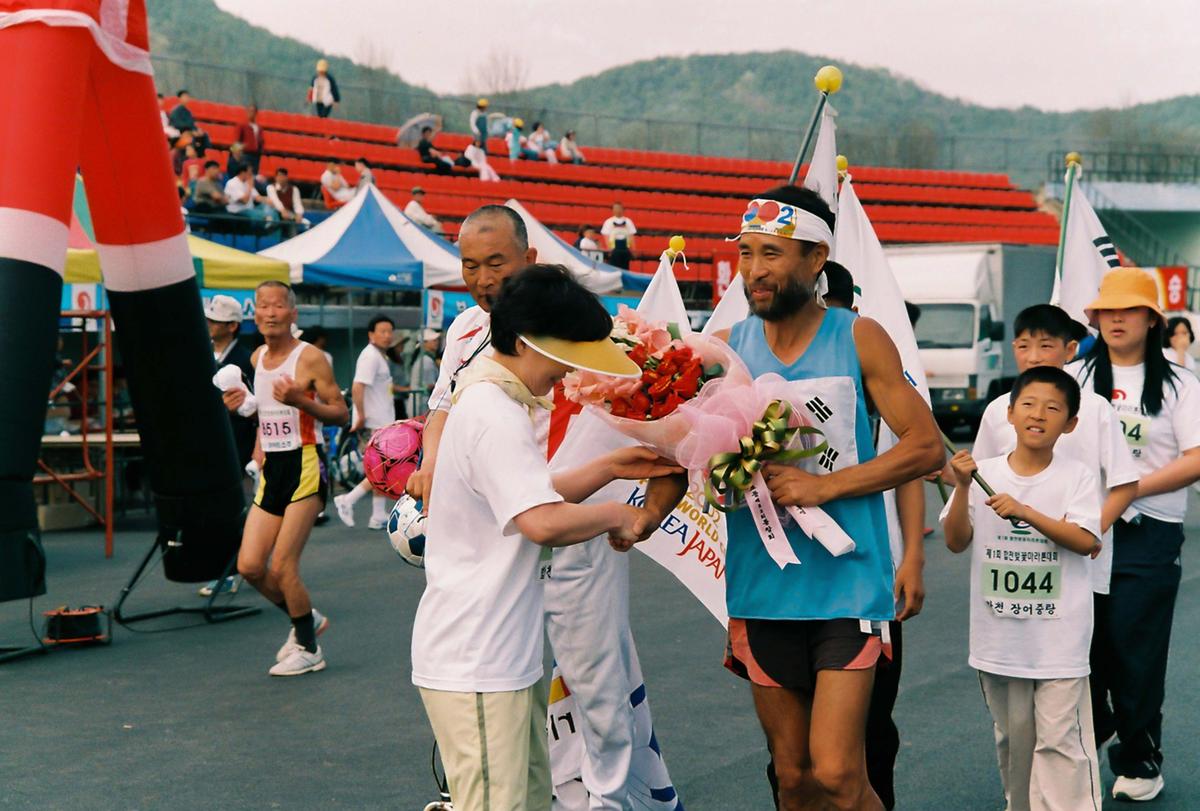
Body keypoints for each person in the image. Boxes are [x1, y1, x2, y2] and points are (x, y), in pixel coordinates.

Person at [407, 206, 685, 809]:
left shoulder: (495, 398)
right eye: (566, 359)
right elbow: (538, 519)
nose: (569, 376)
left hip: (500, 650)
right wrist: (621, 514)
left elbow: (529, 492)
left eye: (496, 263)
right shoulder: (495, 411)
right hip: (480, 655)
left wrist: (609, 467)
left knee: (532, 787)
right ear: (534, 342)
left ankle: (608, 797)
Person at [694, 185, 943, 811]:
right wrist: (657, 505)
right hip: (761, 588)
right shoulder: (724, 348)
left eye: (772, 253)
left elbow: (924, 448)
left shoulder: (860, 337)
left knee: (837, 774)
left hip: (847, 587)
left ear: (815, 258)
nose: (754, 270)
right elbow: (688, 447)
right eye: (746, 253)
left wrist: (825, 486)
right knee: (793, 776)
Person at [761, 258, 928, 811]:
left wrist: (912, 556)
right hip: (776, 581)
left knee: (855, 753)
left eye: (829, 308)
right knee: (791, 771)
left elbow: (912, 464)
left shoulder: (866, 358)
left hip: (860, 576)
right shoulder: (750, 360)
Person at [943, 366, 1104, 811]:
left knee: (1060, 742)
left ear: (1070, 423)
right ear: (1009, 414)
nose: (1038, 415)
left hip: (1059, 641)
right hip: (999, 638)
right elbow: (955, 540)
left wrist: (1026, 512)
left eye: (1053, 408)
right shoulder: (983, 474)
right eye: (1028, 405)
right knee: (1014, 740)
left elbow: (1086, 540)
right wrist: (961, 487)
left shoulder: (1077, 476)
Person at [1069, 267, 1200, 801]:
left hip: (1149, 533)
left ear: (1151, 320)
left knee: (1135, 648)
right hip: (1080, 529)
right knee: (1081, 645)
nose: (1116, 319)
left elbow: (1196, 458)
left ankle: (1140, 760)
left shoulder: (1180, 384)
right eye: (1107, 310)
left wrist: (1127, 489)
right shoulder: (1073, 377)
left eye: (1129, 310)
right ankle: (1086, 737)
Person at [222, 281, 348, 677]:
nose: (270, 312)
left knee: (282, 566)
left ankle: (309, 648)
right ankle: (305, 618)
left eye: (278, 306)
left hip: (306, 463)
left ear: (293, 314)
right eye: (263, 306)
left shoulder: (310, 358)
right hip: (273, 467)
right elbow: (263, 412)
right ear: (255, 314)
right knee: (249, 565)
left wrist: (301, 401)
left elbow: (341, 413)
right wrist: (242, 406)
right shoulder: (257, 357)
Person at [200, 294, 257, 597]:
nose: (209, 325)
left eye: (216, 321)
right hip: (212, 440)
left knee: (234, 508)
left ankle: (232, 569)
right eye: (209, 320)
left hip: (240, 441)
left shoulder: (245, 359)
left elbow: (254, 406)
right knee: (215, 508)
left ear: (233, 326)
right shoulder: (205, 354)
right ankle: (229, 567)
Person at [332, 315, 398, 530]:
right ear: (371, 335)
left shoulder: (378, 356)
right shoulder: (370, 356)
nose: (387, 336)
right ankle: (348, 500)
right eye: (382, 331)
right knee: (380, 469)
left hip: (382, 422)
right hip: (373, 423)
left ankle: (377, 515)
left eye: (390, 331)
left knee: (381, 469)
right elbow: (358, 386)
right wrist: (360, 416)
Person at [408, 328, 441, 415]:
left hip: (419, 404)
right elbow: (431, 385)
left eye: (437, 340)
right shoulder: (426, 361)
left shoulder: (425, 359)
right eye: (433, 340)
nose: (437, 342)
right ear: (425, 343)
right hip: (421, 406)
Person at [266, 167, 307, 237]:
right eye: (279, 176)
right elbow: (275, 200)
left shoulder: (294, 189)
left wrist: (299, 214)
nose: (280, 178)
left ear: (286, 177)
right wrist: (282, 210)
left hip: (289, 215)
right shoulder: (271, 187)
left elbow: (297, 204)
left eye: (283, 176)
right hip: (276, 214)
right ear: (275, 177)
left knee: (295, 226)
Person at [600, 203, 637, 270]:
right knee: (614, 269)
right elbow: (606, 237)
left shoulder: (628, 221)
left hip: (625, 249)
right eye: (616, 208)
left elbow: (632, 236)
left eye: (619, 208)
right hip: (613, 249)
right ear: (613, 210)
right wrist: (609, 249)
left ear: (623, 209)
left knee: (625, 268)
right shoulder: (608, 221)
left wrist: (633, 250)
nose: (618, 210)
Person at [235, 104, 264, 176]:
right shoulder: (242, 125)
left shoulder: (259, 127)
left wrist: (260, 150)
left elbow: (261, 141)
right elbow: (237, 140)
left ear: (256, 113)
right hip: (245, 154)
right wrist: (236, 155)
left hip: (256, 155)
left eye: (253, 111)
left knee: (254, 174)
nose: (251, 113)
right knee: (245, 173)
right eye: (249, 111)